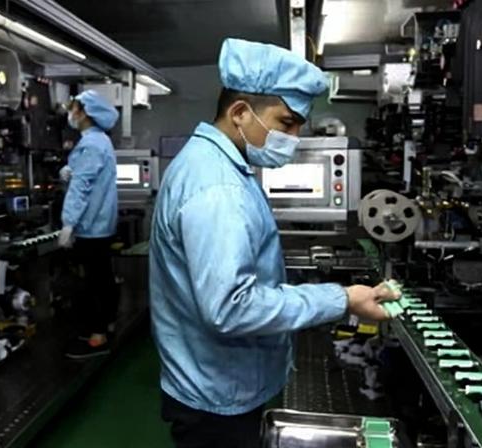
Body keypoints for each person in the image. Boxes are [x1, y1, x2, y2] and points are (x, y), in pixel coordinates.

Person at [149, 38, 400, 448]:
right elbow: (232, 309)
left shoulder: (212, 165)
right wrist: (342, 299)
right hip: (220, 398)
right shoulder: (218, 188)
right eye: (286, 123)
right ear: (240, 112)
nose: (295, 137)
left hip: (216, 380)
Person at [58, 90, 120, 360]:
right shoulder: (100, 142)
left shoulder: (91, 145)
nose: (70, 113)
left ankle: (97, 337)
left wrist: (68, 223)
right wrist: (69, 173)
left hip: (89, 227)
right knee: (102, 278)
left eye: (73, 108)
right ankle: (104, 326)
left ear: (85, 112)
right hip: (100, 225)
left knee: (91, 283)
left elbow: (82, 188)